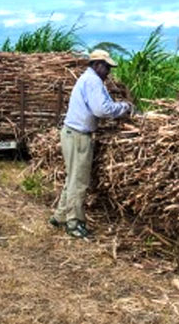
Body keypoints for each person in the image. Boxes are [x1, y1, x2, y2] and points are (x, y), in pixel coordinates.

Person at [49, 49, 133, 239]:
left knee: (72, 178)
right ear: (97, 65)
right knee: (79, 182)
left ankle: (60, 216)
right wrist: (124, 107)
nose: (109, 72)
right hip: (78, 136)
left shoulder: (87, 79)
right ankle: (74, 223)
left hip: (71, 133)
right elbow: (101, 110)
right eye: (107, 67)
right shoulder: (93, 81)